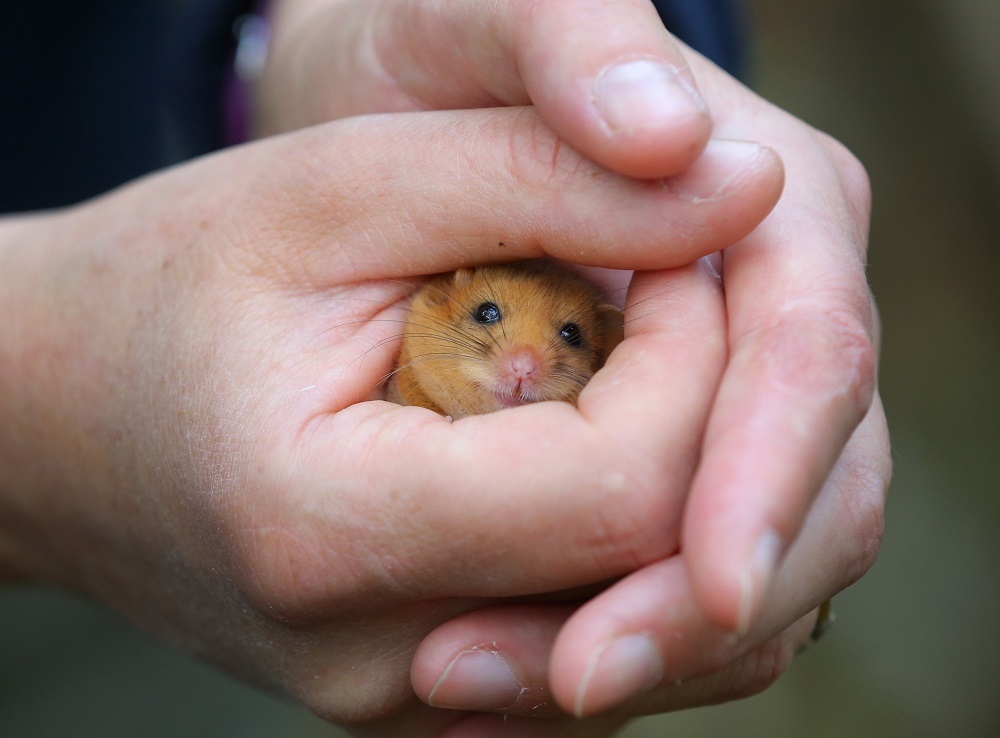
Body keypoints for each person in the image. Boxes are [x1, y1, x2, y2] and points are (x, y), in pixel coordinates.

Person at [0, 0, 890, 735]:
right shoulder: (410, 340)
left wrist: (636, 95)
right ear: (444, 300)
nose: (528, 361)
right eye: (491, 318)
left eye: (575, 342)